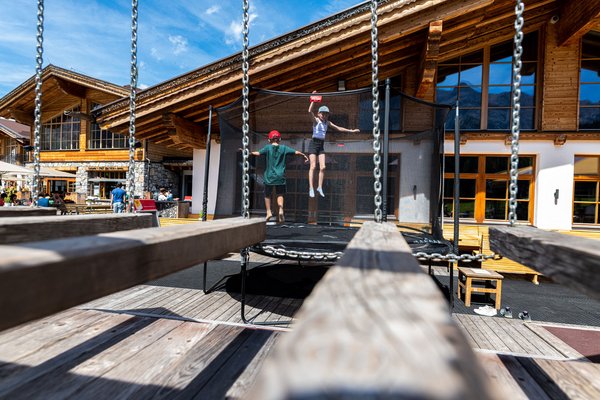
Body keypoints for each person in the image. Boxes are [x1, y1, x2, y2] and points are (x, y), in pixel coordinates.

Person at [308, 91, 360, 198]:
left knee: (323, 167)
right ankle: (311, 188)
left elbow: (339, 128)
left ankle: (319, 187)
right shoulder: (316, 121)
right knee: (313, 166)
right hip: (313, 143)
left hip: (321, 144)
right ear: (319, 114)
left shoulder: (327, 123)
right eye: (323, 113)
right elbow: (309, 111)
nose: (324, 115)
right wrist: (313, 100)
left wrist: (351, 131)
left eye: (326, 114)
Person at [250, 129, 308, 222]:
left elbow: (258, 153)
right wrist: (303, 155)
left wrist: (249, 152)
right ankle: (281, 209)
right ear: (279, 139)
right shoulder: (284, 148)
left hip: (269, 176)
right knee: (280, 194)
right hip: (280, 176)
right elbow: (296, 152)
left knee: (267, 194)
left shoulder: (267, 148)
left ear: (269, 140)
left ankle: (268, 212)